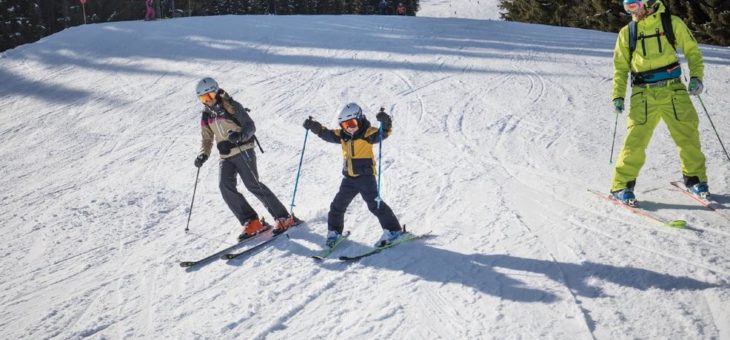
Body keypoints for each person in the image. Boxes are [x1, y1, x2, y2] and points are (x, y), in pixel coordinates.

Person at [610, 0, 708, 205]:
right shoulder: (628, 32)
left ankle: (695, 179)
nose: (631, 12)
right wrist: (617, 96)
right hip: (643, 95)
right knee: (635, 141)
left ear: (648, 3)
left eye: (634, 6)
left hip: (674, 91)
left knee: (688, 135)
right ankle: (622, 185)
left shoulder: (671, 23)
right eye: (627, 7)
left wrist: (696, 77)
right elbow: (620, 67)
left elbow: (692, 51)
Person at [193, 77, 298, 241]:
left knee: (252, 184)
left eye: (210, 96)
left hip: (243, 150)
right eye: (203, 98)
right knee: (224, 187)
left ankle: (283, 217)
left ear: (216, 92)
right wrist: (203, 154)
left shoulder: (231, 105)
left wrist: (239, 136)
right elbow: (207, 138)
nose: (207, 101)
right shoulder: (206, 115)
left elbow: (250, 126)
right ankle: (252, 221)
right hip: (225, 156)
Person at [302, 103, 403, 248]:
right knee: (337, 205)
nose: (349, 127)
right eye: (345, 125)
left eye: (352, 123)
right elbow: (328, 134)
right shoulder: (343, 136)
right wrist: (314, 127)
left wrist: (386, 122)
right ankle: (334, 232)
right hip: (349, 178)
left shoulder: (367, 133)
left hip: (366, 178)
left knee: (375, 204)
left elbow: (384, 133)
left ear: (360, 119)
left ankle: (394, 231)